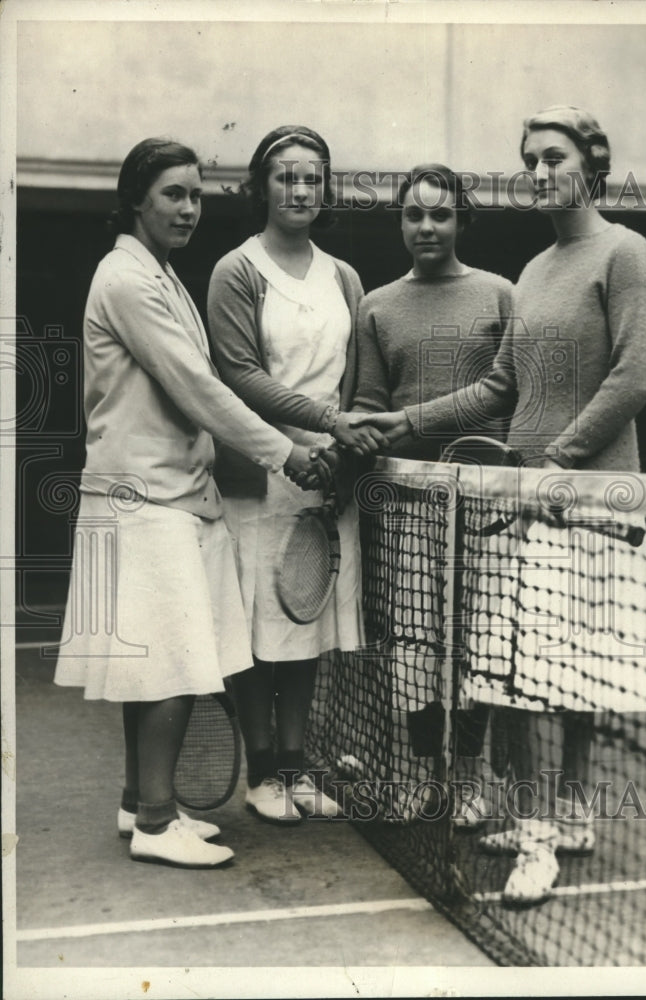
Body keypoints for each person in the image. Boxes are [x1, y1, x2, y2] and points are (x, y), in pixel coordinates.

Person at [359, 107, 646, 901]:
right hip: (527, 499)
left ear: (590, 162)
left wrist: (556, 462)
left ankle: (551, 827)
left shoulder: (625, 253)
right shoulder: (533, 270)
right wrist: (406, 420)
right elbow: (501, 385)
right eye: (528, 160)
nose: (538, 173)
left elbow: (635, 376)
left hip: (588, 497)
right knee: (531, 669)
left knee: (567, 673)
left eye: (553, 157)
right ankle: (551, 814)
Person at [54, 138, 327, 869]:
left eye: (197, 195)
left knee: (152, 666)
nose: (187, 208)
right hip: (144, 501)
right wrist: (289, 454)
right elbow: (198, 389)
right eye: (173, 193)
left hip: (167, 496)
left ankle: (138, 801)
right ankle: (153, 820)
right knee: (172, 665)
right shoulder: (128, 280)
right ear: (136, 197)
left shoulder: (160, 275)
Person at [206, 125, 386, 825]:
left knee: (305, 625)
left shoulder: (342, 275)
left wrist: (340, 453)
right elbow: (239, 376)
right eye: (286, 177)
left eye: (312, 177)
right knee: (259, 629)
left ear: (325, 187)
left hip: (329, 474)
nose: (300, 189)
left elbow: (356, 378)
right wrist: (312, 436)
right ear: (261, 187)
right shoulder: (237, 270)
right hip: (262, 472)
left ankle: (295, 764)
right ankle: (261, 774)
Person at [352, 163, 514, 826]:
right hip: (409, 506)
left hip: (483, 504)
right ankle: (420, 775)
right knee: (415, 646)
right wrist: (351, 441)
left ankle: (472, 782)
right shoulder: (376, 307)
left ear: (461, 222)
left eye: (440, 214)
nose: (426, 226)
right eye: (414, 214)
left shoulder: (501, 295)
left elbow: (509, 392)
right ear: (400, 221)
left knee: (479, 643)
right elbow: (366, 402)